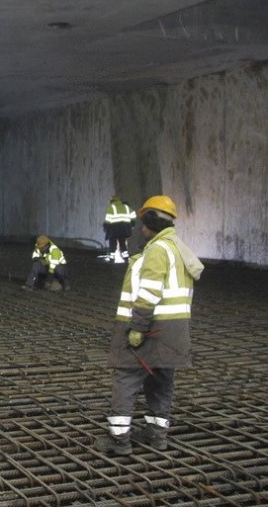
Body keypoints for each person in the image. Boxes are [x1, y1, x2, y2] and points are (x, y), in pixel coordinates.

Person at [94, 195, 203, 456]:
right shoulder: (177, 248)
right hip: (174, 332)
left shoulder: (156, 250)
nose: (141, 228)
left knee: (126, 378)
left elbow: (149, 292)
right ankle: (157, 436)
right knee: (161, 381)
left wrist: (137, 327)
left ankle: (119, 440)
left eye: (143, 223)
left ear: (151, 222)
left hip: (151, 328)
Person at [104, 195, 135, 263]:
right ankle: (126, 259)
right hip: (124, 230)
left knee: (112, 245)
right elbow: (133, 216)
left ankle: (112, 260)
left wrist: (105, 227)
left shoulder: (111, 207)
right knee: (122, 244)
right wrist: (131, 225)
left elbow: (107, 220)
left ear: (112, 201)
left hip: (113, 230)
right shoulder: (126, 207)